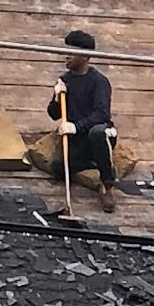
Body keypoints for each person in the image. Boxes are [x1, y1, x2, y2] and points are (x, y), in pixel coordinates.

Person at [48, 28, 117, 213]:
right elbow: (53, 114)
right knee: (57, 167)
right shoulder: (65, 80)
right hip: (77, 140)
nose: (66, 56)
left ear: (86, 56)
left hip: (98, 134)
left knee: (97, 133)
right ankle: (93, 162)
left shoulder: (99, 81)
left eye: (72, 52)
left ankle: (106, 184)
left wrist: (75, 127)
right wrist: (57, 97)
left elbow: (102, 114)